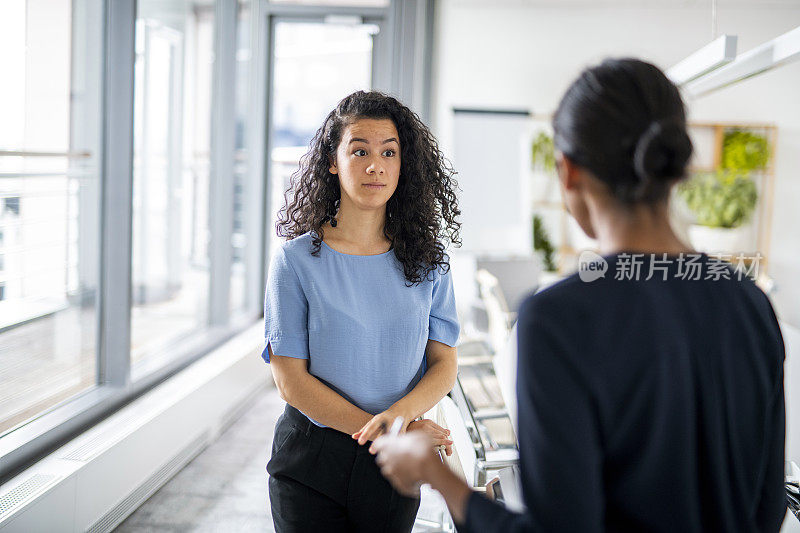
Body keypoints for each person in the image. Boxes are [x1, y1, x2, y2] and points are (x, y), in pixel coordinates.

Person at [371, 58, 787, 532]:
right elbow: (769, 507)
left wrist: (438, 476)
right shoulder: (749, 303)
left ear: (568, 173)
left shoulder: (558, 319)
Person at [262, 90, 462, 532]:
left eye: (389, 152)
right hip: (312, 458)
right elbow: (290, 380)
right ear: (333, 161)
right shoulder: (295, 260)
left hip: (393, 467)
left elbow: (444, 363)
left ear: (403, 164)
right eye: (359, 151)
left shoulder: (430, 262)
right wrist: (392, 431)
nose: (376, 165)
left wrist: (401, 420)